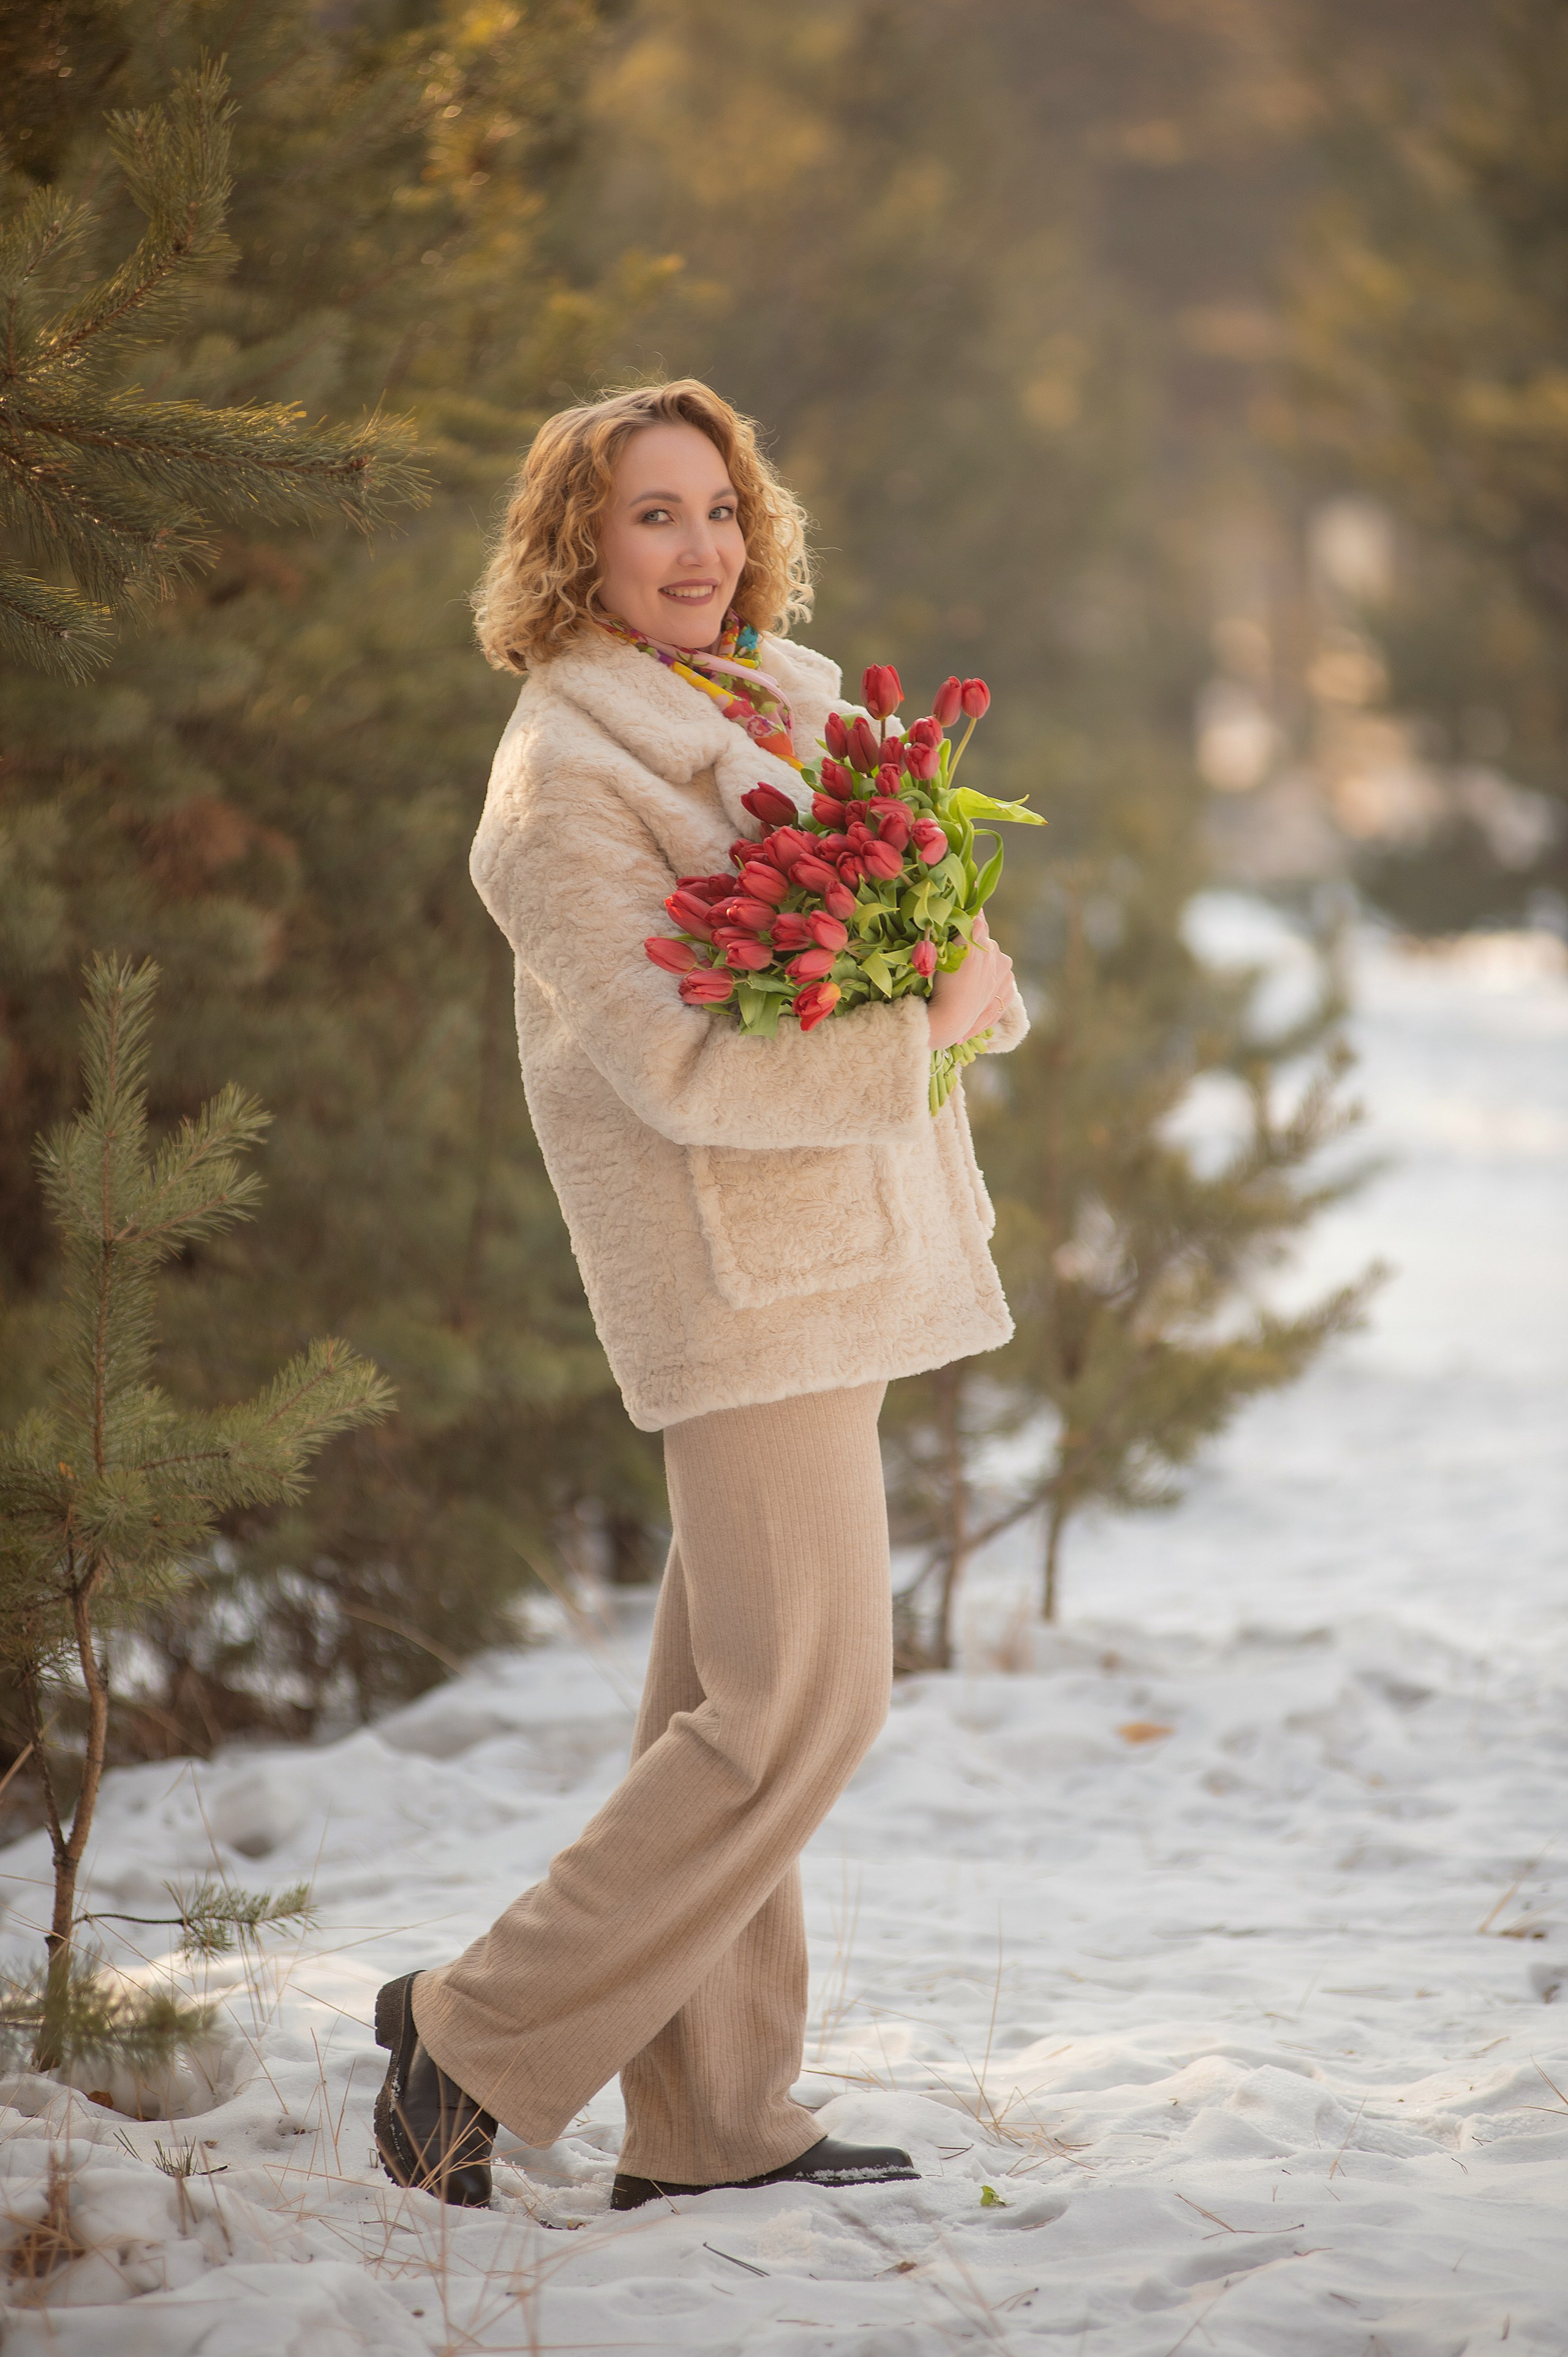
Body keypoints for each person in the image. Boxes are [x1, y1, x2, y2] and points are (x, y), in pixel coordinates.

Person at [373, 379, 1025, 2212]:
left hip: (843, 1243)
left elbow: (927, 931)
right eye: (655, 514)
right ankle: (469, 2030)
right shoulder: (559, 779)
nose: (701, 548)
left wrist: (954, 977)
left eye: (721, 510)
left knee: (721, 1701)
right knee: (805, 1704)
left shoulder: (796, 701)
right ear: (575, 540)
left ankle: (713, 2114)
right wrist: (919, 1029)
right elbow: (670, 1058)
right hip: (737, 1276)